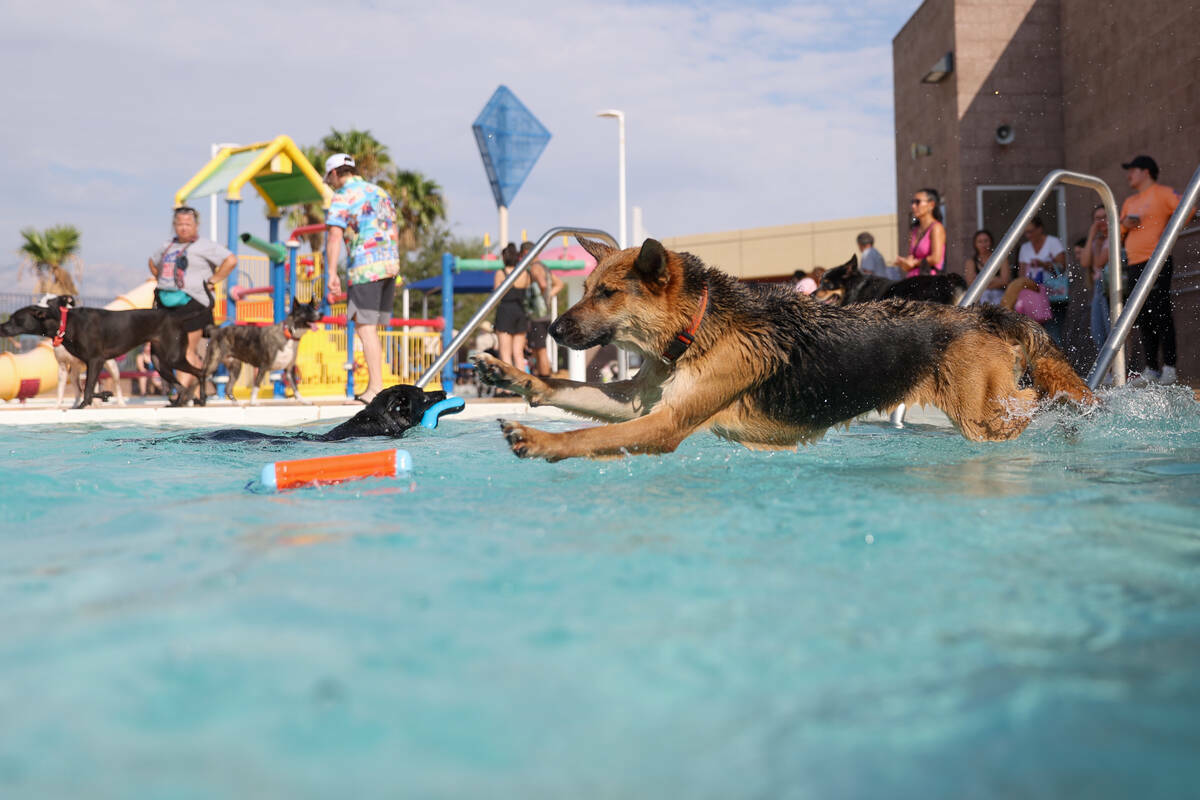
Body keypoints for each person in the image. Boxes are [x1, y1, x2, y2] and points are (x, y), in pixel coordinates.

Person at [323, 153, 402, 404]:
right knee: (372, 328)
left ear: (335, 173)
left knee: (364, 327)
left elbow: (334, 235)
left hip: (366, 267)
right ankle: (376, 386)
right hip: (389, 264)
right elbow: (394, 230)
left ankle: (375, 389)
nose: (331, 184)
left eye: (330, 179)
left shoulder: (343, 195)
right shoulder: (380, 193)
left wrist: (331, 272)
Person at [1118, 155, 1197, 384]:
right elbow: (1120, 231)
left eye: (1132, 170)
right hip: (1133, 263)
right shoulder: (1129, 202)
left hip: (1157, 260)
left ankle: (1169, 367)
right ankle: (1151, 368)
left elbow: (1188, 208)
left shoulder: (1163, 193)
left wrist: (1170, 232)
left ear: (1145, 171)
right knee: (1143, 315)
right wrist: (1125, 225)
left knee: (1160, 311)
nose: (1128, 175)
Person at [148, 206, 236, 398]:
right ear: (174, 225)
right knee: (168, 350)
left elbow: (231, 260)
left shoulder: (205, 245)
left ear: (196, 225)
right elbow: (152, 262)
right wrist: (163, 280)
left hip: (195, 303)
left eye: (188, 224)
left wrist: (213, 280)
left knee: (186, 349)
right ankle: (195, 391)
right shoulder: (167, 246)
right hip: (167, 303)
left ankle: (178, 394)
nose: (184, 228)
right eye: (180, 224)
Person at [1009, 217, 1068, 345]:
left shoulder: (1053, 242)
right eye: (1026, 232)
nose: (1029, 235)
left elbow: (1062, 266)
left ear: (1040, 229)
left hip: (1054, 295)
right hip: (1035, 297)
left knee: (1054, 334)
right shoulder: (1025, 248)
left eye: (1031, 231)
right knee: (1035, 335)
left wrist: (1044, 265)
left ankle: (1057, 362)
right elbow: (1022, 275)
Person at [518, 240, 561, 378]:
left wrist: (539, 299)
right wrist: (547, 297)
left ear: (526, 253)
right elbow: (558, 284)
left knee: (540, 349)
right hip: (545, 315)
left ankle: (545, 379)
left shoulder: (535, 268)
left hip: (538, 315)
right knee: (538, 349)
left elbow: (542, 284)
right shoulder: (545, 267)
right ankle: (544, 376)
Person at [492, 243, 533, 373]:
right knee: (518, 354)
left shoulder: (501, 273)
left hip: (505, 312)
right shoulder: (525, 274)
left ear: (504, 258)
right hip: (521, 312)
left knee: (505, 354)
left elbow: (496, 295)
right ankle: (522, 386)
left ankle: (506, 388)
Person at [1079, 205, 1112, 358]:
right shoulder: (1097, 240)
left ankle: (1118, 368)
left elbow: (1098, 262)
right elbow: (1085, 262)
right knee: (1097, 330)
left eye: (1104, 217)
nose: (1101, 222)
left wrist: (1097, 244)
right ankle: (1107, 369)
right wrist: (1091, 237)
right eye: (1097, 219)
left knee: (1111, 327)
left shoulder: (1114, 236)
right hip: (1099, 286)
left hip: (1111, 286)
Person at [894, 188, 945, 277]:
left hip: (930, 281)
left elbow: (936, 258)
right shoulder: (914, 230)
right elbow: (911, 263)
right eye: (912, 202)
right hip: (914, 280)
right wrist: (904, 263)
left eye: (917, 202)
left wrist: (914, 263)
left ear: (931, 204)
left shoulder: (936, 227)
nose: (913, 206)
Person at [963, 229, 1008, 305]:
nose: (983, 244)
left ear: (991, 242)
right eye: (980, 242)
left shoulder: (1001, 259)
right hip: (979, 296)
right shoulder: (971, 262)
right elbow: (970, 283)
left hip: (999, 295)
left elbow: (1005, 281)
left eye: (986, 241)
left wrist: (980, 280)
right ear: (975, 244)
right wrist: (995, 279)